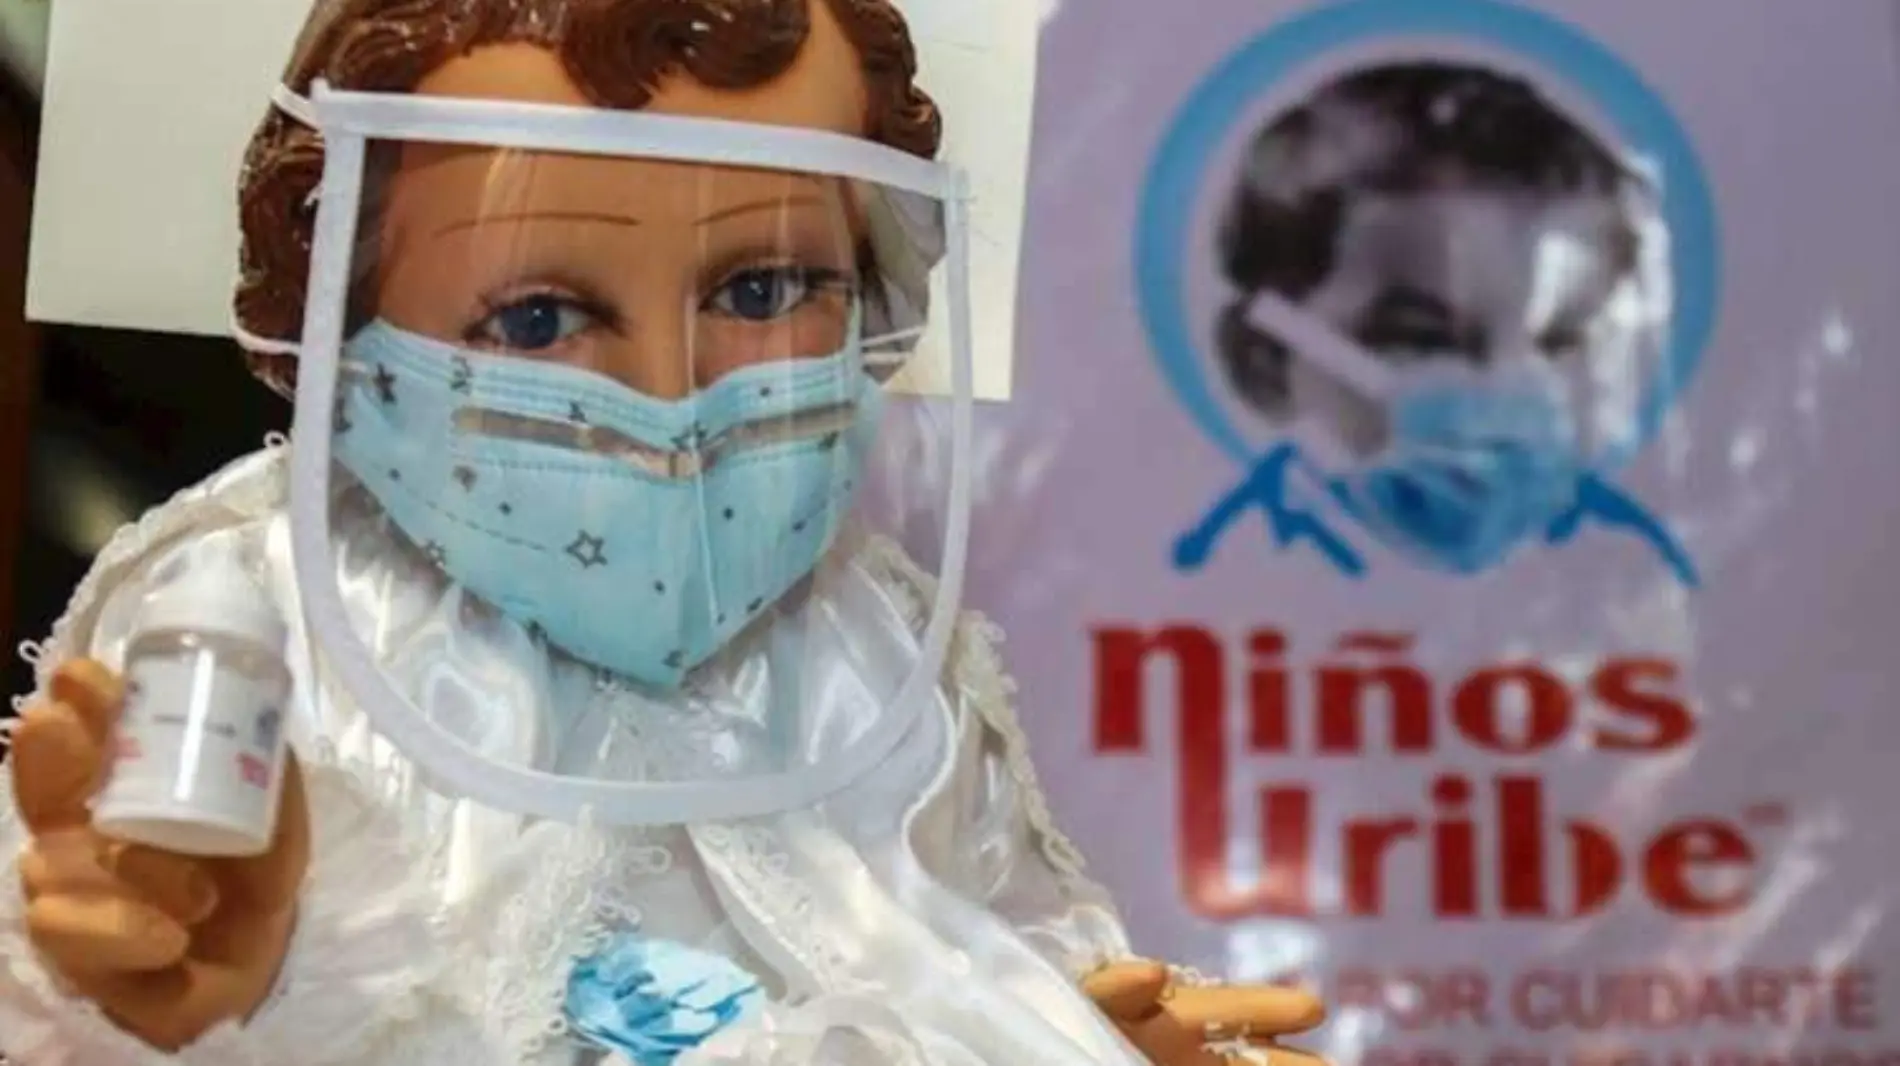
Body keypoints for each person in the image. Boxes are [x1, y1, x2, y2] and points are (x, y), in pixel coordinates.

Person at [0, 1, 1327, 1063]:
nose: (668, 399)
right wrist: (166, 1010)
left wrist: (1061, 1028)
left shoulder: (868, 644)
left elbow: (981, 920)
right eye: (535, 318)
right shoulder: (258, 609)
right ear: (340, 305)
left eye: (763, 287)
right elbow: (113, 935)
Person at [1182, 61, 1695, 584]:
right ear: (1264, 360)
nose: (1503, 391)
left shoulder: (1639, 577)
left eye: (1555, 344)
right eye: (1424, 341)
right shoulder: (1211, 570)